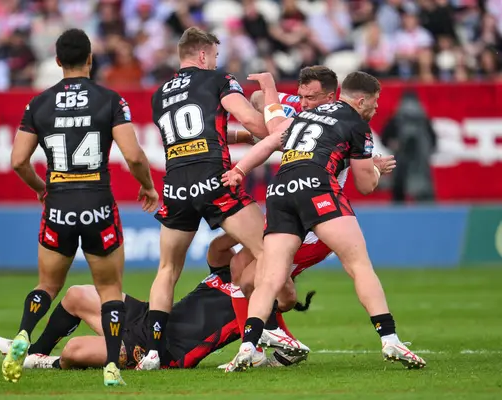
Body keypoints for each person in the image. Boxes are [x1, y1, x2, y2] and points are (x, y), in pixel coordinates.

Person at [222, 71, 426, 371]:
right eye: (375, 102)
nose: (377, 108)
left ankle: (249, 346)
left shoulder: (304, 116)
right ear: (361, 100)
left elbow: (268, 143)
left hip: (279, 189)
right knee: (358, 264)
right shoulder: (358, 123)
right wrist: (377, 170)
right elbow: (367, 185)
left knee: (269, 278)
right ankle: (390, 338)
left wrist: (239, 170)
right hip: (316, 187)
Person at [6, 28, 158, 386]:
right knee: (108, 289)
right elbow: (134, 155)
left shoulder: (38, 104)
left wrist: (42, 188)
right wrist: (147, 185)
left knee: (47, 284)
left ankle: (25, 335)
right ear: (91, 59)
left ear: (57, 61)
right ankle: (111, 365)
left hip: (59, 202)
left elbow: (18, 161)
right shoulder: (109, 99)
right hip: (97, 204)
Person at [137, 26, 273, 370]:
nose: (215, 61)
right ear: (202, 55)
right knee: (268, 254)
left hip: (176, 185)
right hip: (215, 180)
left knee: (167, 270)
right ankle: (264, 335)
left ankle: (152, 352)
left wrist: (240, 136)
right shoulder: (218, 80)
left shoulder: (160, 94)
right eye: (213, 55)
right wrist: (273, 124)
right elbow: (255, 124)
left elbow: (196, 130)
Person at [0, 234, 314, 370]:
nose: (245, 258)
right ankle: (35, 350)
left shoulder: (260, 304)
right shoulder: (223, 273)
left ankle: (45, 363)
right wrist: (247, 228)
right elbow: (217, 247)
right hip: (151, 319)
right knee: (77, 293)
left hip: (168, 352)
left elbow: (289, 344)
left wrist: (282, 284)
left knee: (75, 349)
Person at [380, 89, 437, 203]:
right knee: (423, 190)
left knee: (398, 189)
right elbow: (433, 141)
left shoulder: (396, 118)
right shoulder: (423, 119)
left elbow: (385, 137)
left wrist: (394, 144)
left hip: (401, 159)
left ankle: (398, 216)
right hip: (420, 161)